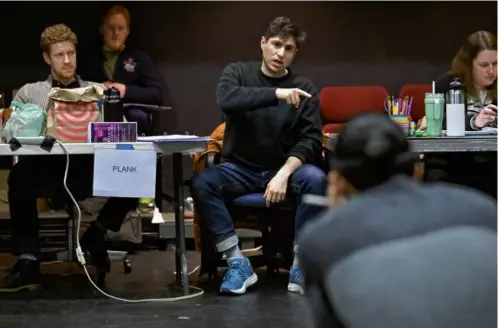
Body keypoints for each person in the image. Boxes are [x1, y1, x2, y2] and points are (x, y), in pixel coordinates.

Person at [298, 113, 497, 328]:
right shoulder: (482, 209)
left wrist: (337, 216)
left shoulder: (322, 238)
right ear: (417, 168)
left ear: (337, 181)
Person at [191, 16, 327, 295]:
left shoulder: (305, 89)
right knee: (203, 182)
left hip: (282, 171)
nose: (281, 53)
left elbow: (311, 140)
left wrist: (283, 174)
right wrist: (277, 93)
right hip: (239, 169)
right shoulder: (238, 73)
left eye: (288, 49)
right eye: (276, 45)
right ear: (263, 43)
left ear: (295, 53)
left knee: (316, 178)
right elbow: (227, 99)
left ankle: (302, 263)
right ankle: (237, 262)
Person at [0, 24, 138, 292]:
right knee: (20, 178)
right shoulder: (31, 92)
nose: (66, 60)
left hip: (88, 168)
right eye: (59, 54)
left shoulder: (97, 90)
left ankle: (95, 235)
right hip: (47, 167)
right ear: (47, 58)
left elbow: (120, 130)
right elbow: (10, 135)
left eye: (71, 53)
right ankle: (28, 260)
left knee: (135, 173)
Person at [418, 31, 497, 198]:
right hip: (451, 161)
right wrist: (474, 122)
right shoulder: (447, 83)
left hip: (491, 161)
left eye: (496, 64)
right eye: (483, 65)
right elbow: (439, 122)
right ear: (468, 64)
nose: (491, 71)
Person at [79, 5, 164, 136]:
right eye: (111, 28)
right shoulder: (88, 59)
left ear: (127, 32)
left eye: (121, 28)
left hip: (130, 120)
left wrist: (125, 90)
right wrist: (99, 88)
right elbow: (76, 89)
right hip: (94, 118)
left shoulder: (140, 58)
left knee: (137, 116)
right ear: (102, 29)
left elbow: (156, 93)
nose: (116, 33)